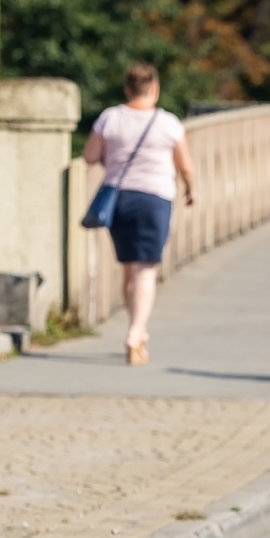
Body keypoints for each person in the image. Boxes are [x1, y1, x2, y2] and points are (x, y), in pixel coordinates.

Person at [83, 62, 197, 365]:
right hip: (155, 199)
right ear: (155, 89)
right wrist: (191, 189)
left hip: (118, 200)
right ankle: (136, 332)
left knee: (128, 267)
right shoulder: (168, 123)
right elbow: (184, 164)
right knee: (146, 268)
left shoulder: (110, 118)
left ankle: (136, 328)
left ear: (127, 89)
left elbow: (90, 156)